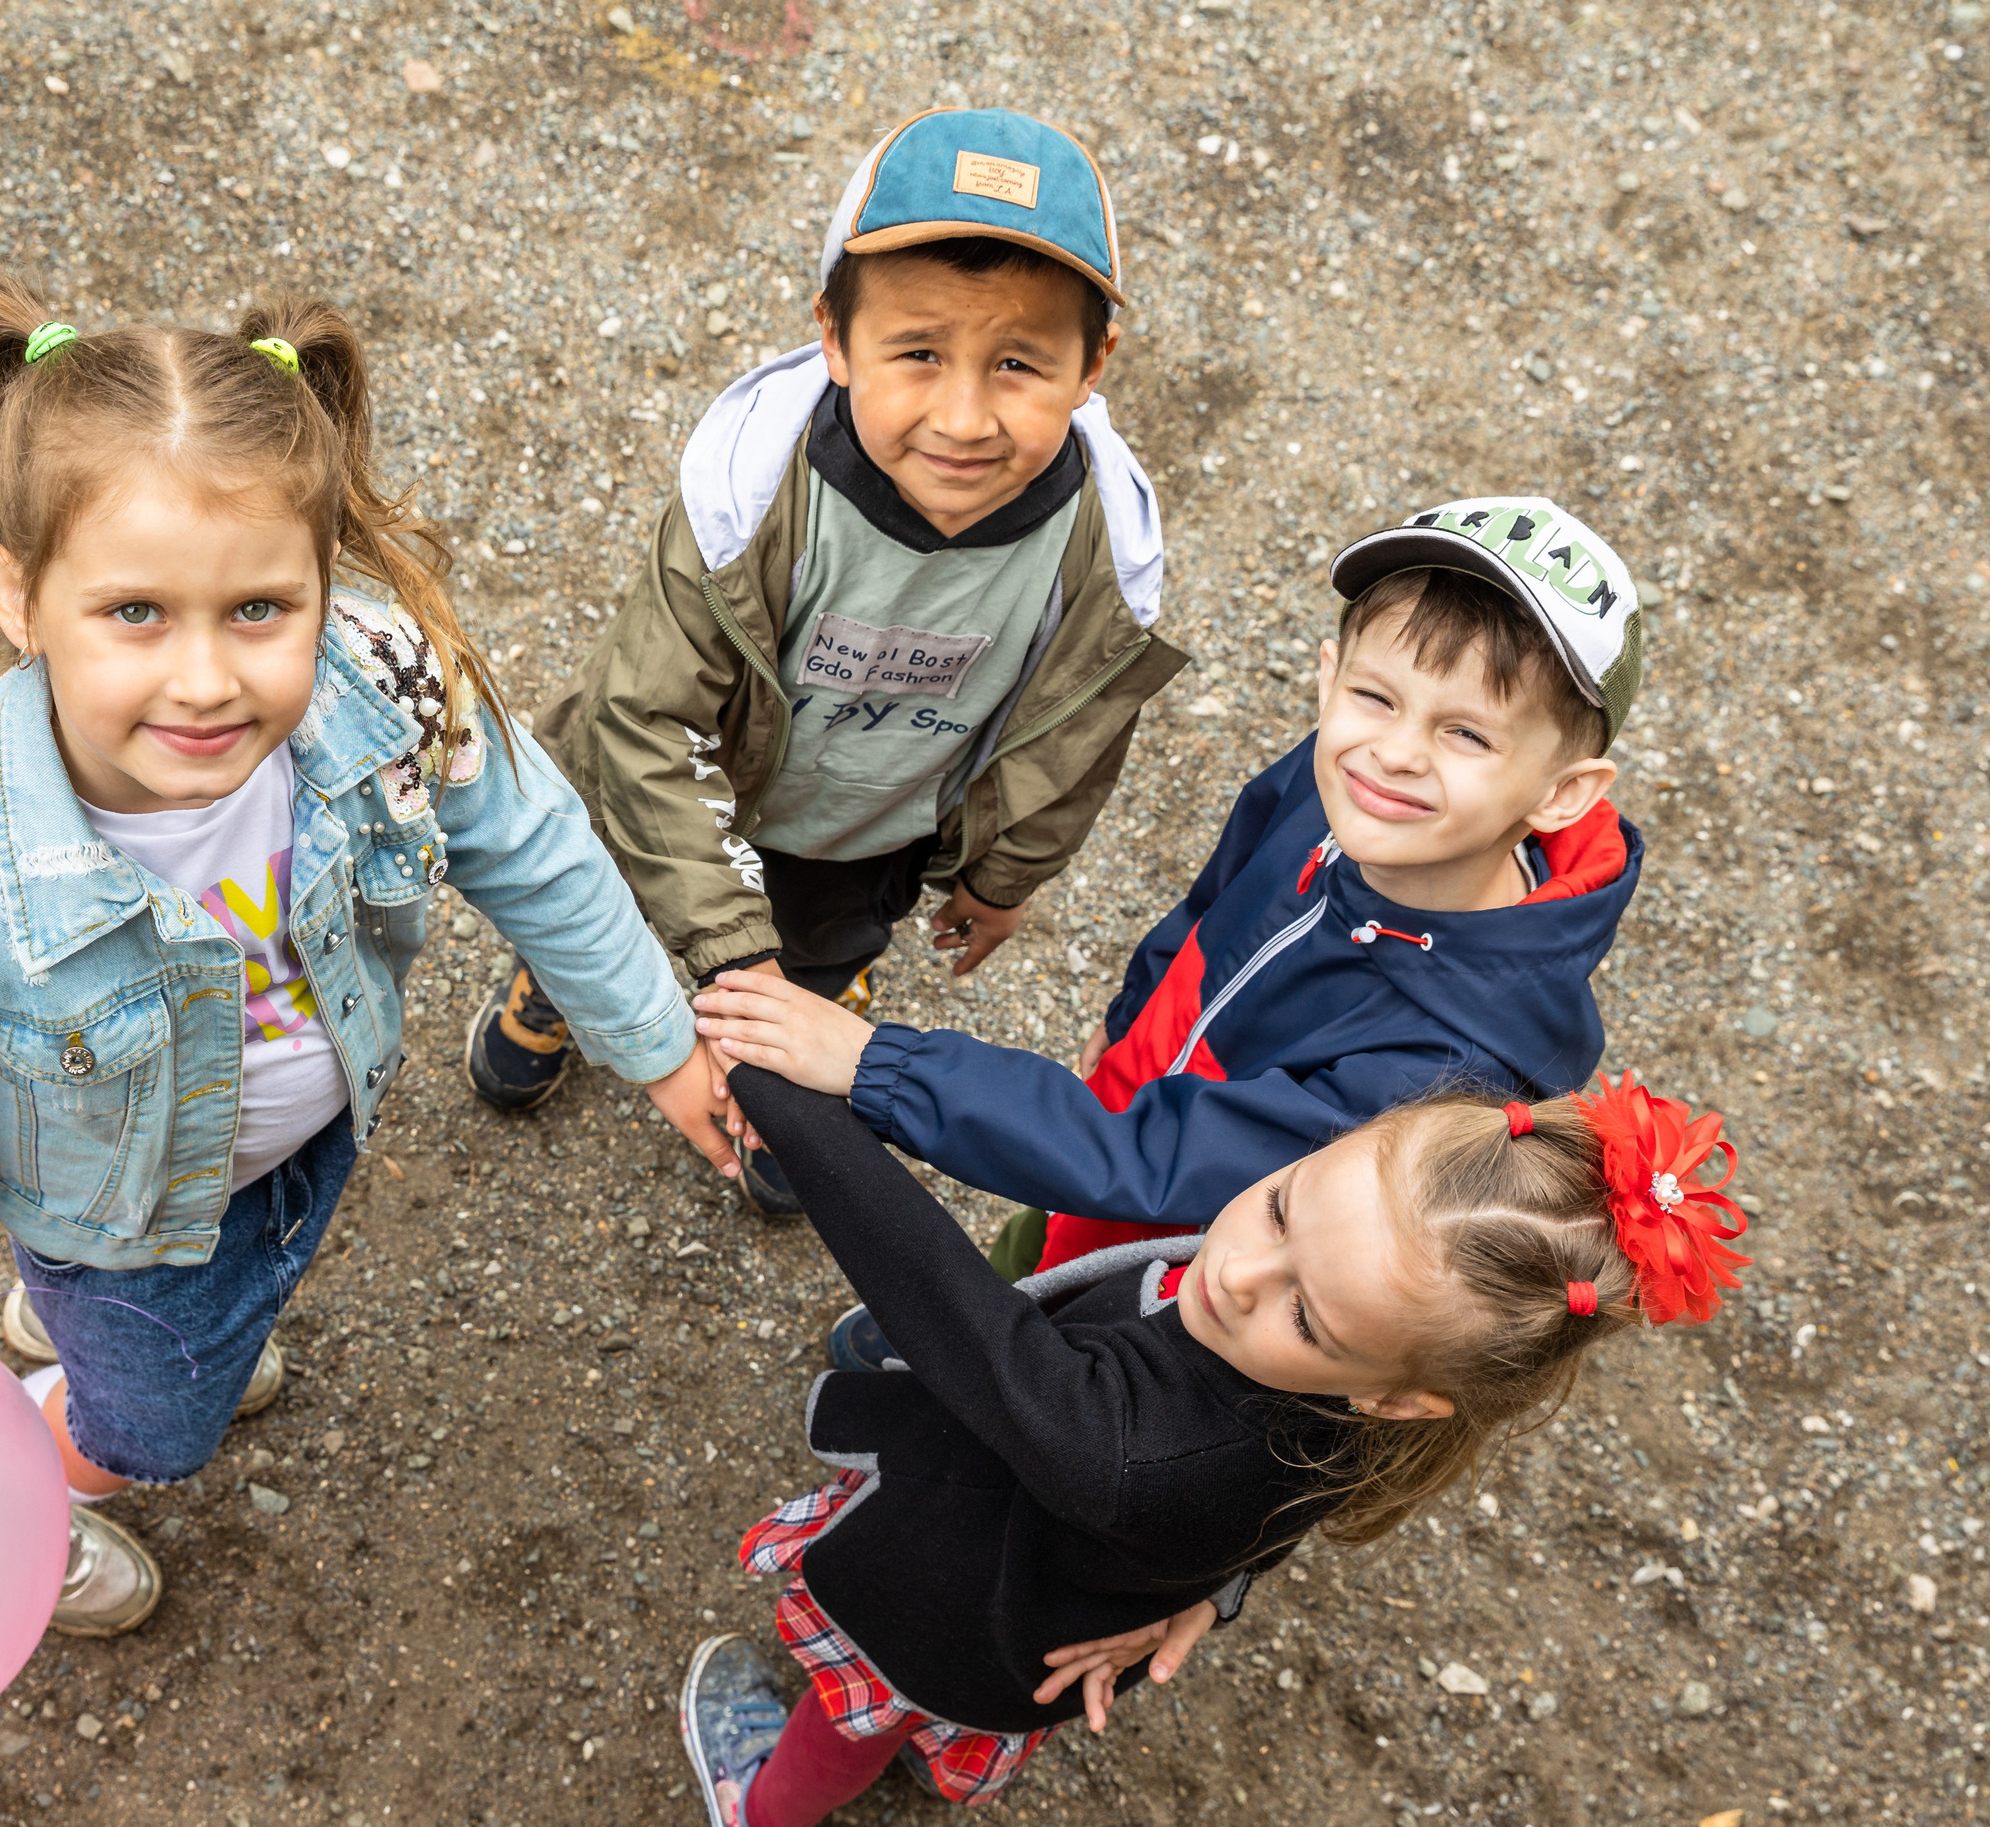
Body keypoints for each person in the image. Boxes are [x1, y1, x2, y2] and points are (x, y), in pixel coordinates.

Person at [0, 279, 735, 1636]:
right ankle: (12, 1497)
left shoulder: (380, 685)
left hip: (295, 1144)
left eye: (258, 608)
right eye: (133, 613)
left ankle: (128, 1346)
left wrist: (656, 1037)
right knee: (159, 1425)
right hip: (115, 1226)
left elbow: (532, 841)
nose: (205, 677)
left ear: (321, 580)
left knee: (206, 1327)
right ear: (18, 593)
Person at [677, 1058, 1747, 1826]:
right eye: (1281, 1209)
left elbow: (968, 1326)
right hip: (1038, 1623)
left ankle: (763, 1802)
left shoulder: (1130, 1452)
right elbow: (1277, 1512)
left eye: (1308, 1317)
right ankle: (937, 1747)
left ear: (1395, 1397)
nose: (1237, 1274)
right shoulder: (1357, 1400)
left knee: (846, 1723)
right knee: (931, 1721)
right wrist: (1208, 1591)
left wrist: (786, 1095)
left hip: (939, 1609)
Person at [465, 107, 1191, 1215]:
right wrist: (721, 946)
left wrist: (1004, 877)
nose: (962, 415)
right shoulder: (747, 500)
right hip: (688, 787)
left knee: (814, 961)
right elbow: (642, 718)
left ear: (1093, 364)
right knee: (604, 895)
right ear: (834, 339)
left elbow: (1075, 735)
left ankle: (785, 1078)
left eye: (1017, 364)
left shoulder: (1104, 557)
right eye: (916, 353)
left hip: (865, 832)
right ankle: (571, 985)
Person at [747, 496, 1648, 1368]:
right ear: (1329, 677)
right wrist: (1138, 1003)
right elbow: (1218, 893)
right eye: (1377, 695)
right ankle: (984, 1305)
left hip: (1223, 1259)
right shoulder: (1357, 785)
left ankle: (974, 1358)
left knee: (1088, 1340)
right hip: (1141, 1082)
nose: (1398, 750)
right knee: (1045, 1234)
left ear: (1562, 791)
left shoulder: (1445, 1067)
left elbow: (1150, 1159)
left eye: (1468, 734)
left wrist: (878, 1066)